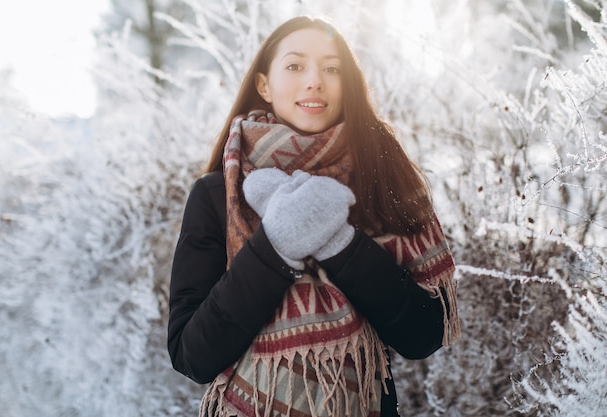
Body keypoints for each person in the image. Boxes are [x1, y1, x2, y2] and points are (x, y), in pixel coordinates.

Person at [168, 16, 459, 417]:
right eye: (294, 65)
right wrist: (277, 246)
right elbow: (192, 354)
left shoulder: (380, 178)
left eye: (331, 67)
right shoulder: (218, 195)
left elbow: (423, 334)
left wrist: (339, 243)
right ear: (264, 86)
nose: (314, 80)